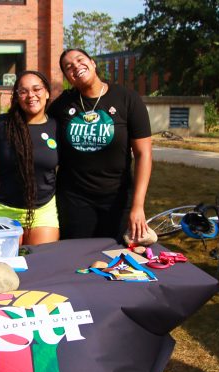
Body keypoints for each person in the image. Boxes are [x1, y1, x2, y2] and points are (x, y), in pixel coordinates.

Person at [49, 48, 152, 242]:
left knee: (116, 258)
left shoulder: (127, 99)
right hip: (74, 200)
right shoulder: (62, 105)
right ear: (67, 78)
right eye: (68, 67)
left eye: (80, 60)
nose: (76, 66)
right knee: (76, 258)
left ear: (93, 63)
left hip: (118, 199)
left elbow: (143, 154)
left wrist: (138, 206)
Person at [0, 71, 60, 245]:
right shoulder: (2, 125)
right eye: (23, 91)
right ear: (17, 96)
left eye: (37, 89)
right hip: (2, 209)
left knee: (42, 264)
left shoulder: (56, 126)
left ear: (47, 93)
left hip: (43, 210)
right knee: (1, 269)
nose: (31, 95)